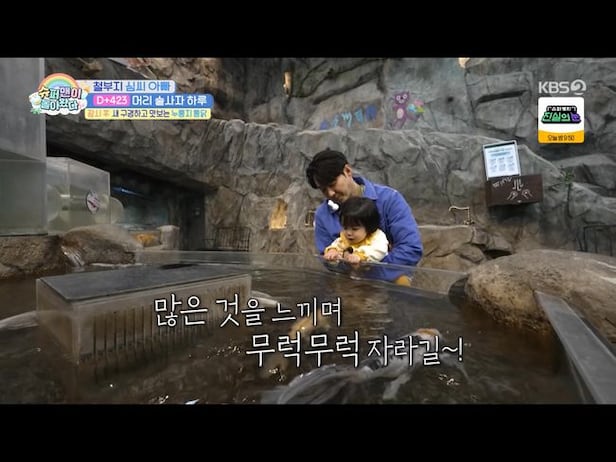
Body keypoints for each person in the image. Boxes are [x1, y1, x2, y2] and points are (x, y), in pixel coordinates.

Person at [306, 149, 423, 283]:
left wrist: (366, 270)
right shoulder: (323, 215)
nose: (330, 193)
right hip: (349, 287)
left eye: (332, 184)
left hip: (391, 285)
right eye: (323, 189)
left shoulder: (390, 200)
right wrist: (339, 258)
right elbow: (327, 260)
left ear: (347, 171)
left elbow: (411, 249)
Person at [323, 196, 389, 264]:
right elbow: (337, 245)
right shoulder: (344, 239)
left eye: (354, 229)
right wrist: (332, 251)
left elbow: (380, 250)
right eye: (345, 228)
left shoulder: (377, 237)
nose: (348, 233)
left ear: (369, 227)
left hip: (377, 270)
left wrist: (360, 255)